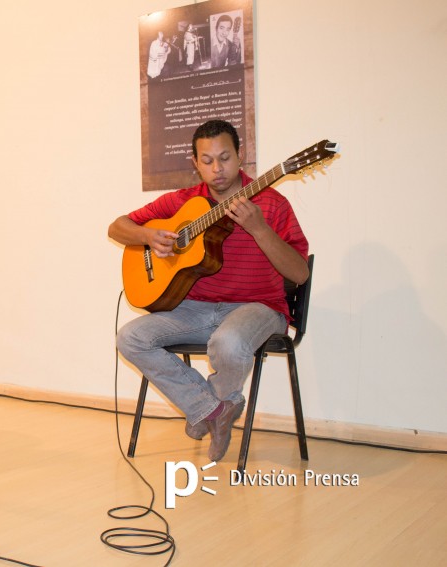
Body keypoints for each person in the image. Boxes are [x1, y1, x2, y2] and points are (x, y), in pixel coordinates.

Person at [108, 120, 309, 461]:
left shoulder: (272, 204)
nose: (217, 169)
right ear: (195, 163)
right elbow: (117, 227)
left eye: (225, 158)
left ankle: (208, 408)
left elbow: (299, 273)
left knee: (228, 342)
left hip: (258, 308)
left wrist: (260, 229)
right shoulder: (183, 202)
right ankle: (214, 410)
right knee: (130, 337)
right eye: (207, 160)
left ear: (241, 155)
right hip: (196, 309)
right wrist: (148, 237)